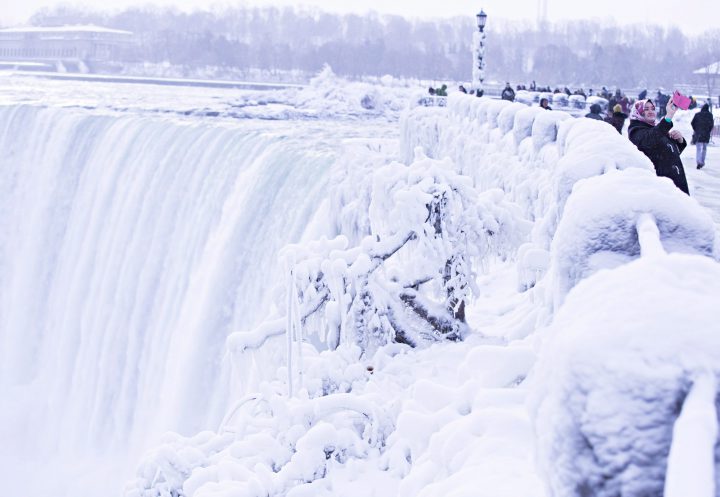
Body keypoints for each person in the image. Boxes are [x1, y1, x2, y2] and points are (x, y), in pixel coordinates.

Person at [628, 99, 689, 194]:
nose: (651, 111)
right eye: (646, 109)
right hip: (662, 187)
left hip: (675, 183)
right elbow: (650, 140)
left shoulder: (655, 128)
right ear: (638, 112)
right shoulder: (636, 131)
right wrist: (668, 117)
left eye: (652, 108)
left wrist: (679, 140)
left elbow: (667, 153)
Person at [691, 103, 715, 169]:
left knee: (698, 148)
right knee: (704, 148)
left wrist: (696, 129)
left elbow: (692, 123)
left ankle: (699, 161)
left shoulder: (697, 115)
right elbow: (711, 125)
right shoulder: (710, 115)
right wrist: (708, 130)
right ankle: (702, 162)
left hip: (698, 133)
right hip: (706, 134)